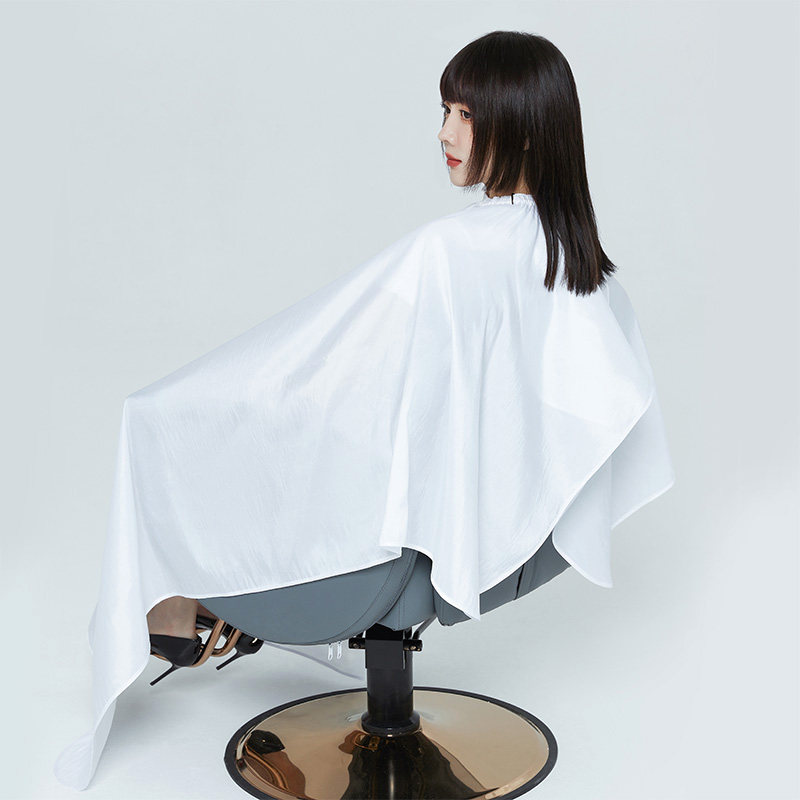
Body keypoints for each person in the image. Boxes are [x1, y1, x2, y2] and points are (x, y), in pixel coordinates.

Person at [54, 30, 675, 790]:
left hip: (389, 552)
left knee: (166, 425)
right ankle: (199, 606)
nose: (444, 134)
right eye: (444, 111)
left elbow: (324, 373)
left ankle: (185, 608)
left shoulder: (450, 255)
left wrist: (177, 412)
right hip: (475, 532)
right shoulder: (572, 259)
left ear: (520, 127)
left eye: (466, 116)